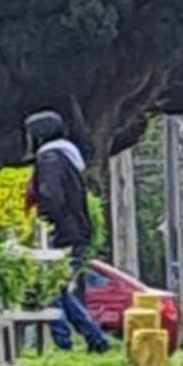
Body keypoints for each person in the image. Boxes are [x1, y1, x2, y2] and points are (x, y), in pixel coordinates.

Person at [24, 110, 111, 353]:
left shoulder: (50, 158)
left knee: (50, 288)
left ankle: (64, 343)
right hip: (76, 230)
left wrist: (46, 221)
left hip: (62, 233)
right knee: (59, 288)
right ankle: (95, 339)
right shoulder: (66, 157)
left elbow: (51, 194)